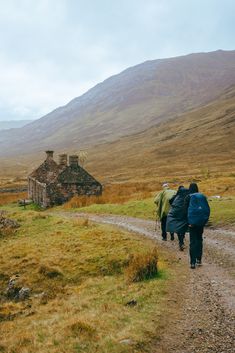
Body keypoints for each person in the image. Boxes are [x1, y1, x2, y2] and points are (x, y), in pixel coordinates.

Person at [185, 183, 210, 269]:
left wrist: (187, 221)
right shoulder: (202, 196)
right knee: (199, 239)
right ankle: (199, 260)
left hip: (192, 222)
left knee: (192, 241)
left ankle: (192, 262)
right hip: (201, 222)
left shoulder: (188, 197)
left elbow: (185, 210)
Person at [166, 186, 189, 250]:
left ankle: (181, 242)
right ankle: (182, 238)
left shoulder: (176, 196)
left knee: (178, 226)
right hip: (184, 213)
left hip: (177, 213)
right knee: (184, 225)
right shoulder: (187, 196)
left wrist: (174, 205)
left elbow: (170, 200)